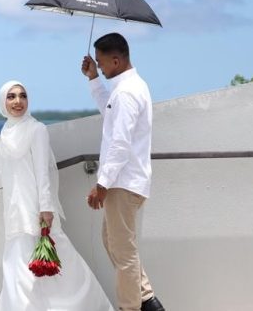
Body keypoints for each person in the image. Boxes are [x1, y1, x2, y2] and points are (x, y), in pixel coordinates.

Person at [0, 80, 114, 311]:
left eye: (22, 96)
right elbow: (7, 173)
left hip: (37, 212)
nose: (18, 101)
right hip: (15, 213)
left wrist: (46, 208)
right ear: (2, 102)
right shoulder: (7, 132)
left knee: (61, 270)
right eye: (11, 96)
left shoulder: (36, 129)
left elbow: (42, 172)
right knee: (19, 274)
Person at [81, 33, 166, 311]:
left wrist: (102, 185)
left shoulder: (127, 92)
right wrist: (94, 79)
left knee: (124, 252)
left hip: (122, 183)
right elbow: (111, 116)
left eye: (101, 62)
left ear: (116, 61)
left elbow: (120, 144)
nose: (99, 66)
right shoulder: (126, 89)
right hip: (126, 181)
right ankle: (148, 301)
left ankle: (130, 307)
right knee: (112, 242)